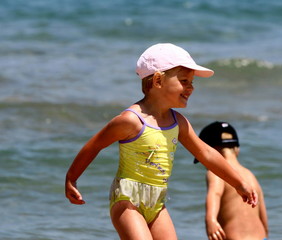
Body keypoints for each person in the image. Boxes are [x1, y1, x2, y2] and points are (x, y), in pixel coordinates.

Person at [65, 43, 258, 240]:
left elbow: (205, 153)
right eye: (184, 81)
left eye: (192, 82)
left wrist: (238, 182)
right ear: (158, 80)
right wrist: (72, 178)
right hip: (127, 199)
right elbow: (95, 145)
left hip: (157, 202)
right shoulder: (131, 120)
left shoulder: (178, 123)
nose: (191, 87)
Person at [194, 121, 269, 240]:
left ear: (211, 152)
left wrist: (211, 220)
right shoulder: (250, 175)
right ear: (237, 149)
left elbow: (215, 193)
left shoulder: (217, 172)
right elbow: (262, 213)